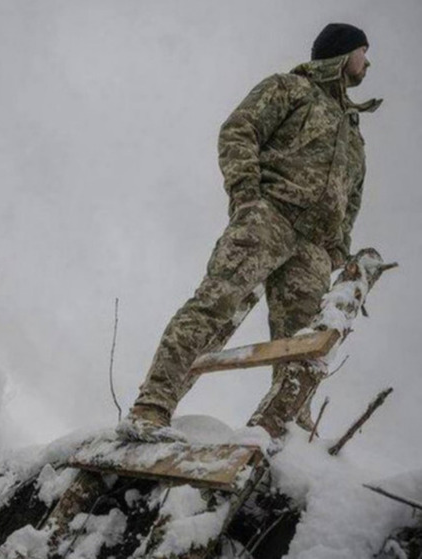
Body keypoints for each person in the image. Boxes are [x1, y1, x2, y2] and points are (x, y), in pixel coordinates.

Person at [119, 23, 382, 440]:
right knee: (214, 307)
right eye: (363, 51)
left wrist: (336, 248)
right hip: (270, 217)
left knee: (302, 345)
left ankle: (286, 432)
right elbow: (239, 130)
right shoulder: (290, 89)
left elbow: (352, 198)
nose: (368, 61)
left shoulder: (354, 133)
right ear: (342, 52)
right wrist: (247, 197)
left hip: (314, 248)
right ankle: (152, 405)